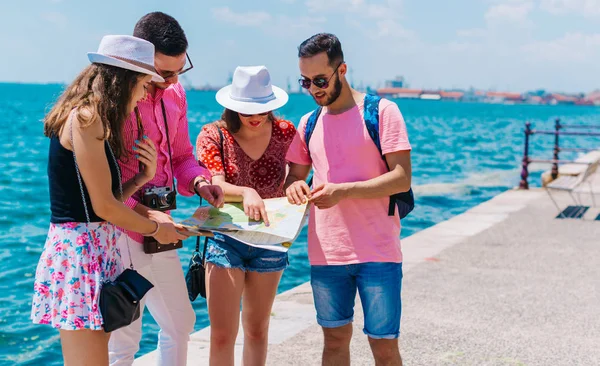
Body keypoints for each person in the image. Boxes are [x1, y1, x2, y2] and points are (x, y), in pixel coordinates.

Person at [31, 35, 185, 366]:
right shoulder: (88, 119)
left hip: (90, 251)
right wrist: (156, 228)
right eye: (143, 84)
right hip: (81, 254)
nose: (145, 93)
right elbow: (103, 207)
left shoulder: (88, 116)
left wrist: (141, 178)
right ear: (124, 80)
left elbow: (99, 200)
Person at [284, 33, 412, 366]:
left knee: (383, 346)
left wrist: (343, 191)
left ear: (342, 70)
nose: (314, 89)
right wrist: (294, 188)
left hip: (379, 252)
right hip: (326, 254)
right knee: (335, 341)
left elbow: (401, 177)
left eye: (320, 80)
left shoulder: (382, 112)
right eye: (306, 82)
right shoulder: (308, 123)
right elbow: (293, 177)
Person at [107, 12, 224, 366]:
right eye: (163, 73)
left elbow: (183, 155)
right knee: (125, 330)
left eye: (177, 71)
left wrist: (201, 182)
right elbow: (103, 182)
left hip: (162, 228)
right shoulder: (116, 100)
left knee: (179, 321)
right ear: (139, 61)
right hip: (121, 228)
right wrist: (144, 213)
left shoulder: (175, 93)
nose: (171, 80)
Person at [195, 65, 294, 366]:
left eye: (262, 108)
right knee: (223, 335)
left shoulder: (286, 132)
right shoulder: (214, 135)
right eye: (247, 109)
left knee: (256, 331)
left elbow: (295, 176)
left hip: (270, 238)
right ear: (232, 106)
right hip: (226, 239)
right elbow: (216, 184)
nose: (255, 116)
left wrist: (297, 185)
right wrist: (247, 192)